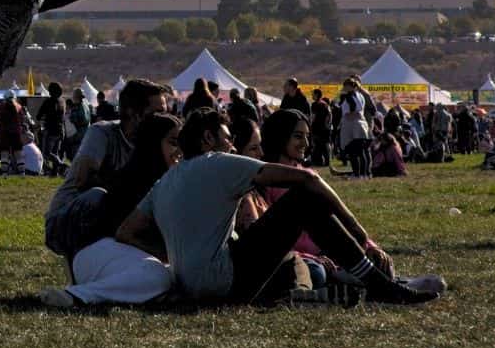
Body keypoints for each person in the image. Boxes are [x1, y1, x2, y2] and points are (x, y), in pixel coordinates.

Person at [113, 110, 436, 306]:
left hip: (191, 285)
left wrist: (174, 255)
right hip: (223, 283)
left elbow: (125, 231)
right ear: (208, 138)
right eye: (227, 139)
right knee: (303, 199)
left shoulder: (165, 182)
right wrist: (357, 229)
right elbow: (306, 181)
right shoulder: (218, 162)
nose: (232, 146)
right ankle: (378, 284)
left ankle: (339, 287)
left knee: (286, 257)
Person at [37, 113, 183, 308]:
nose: (179, 151)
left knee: (168, 277)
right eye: (173, 142)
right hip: (98, 253)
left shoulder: (167, 180)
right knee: (158, 276)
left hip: (122, 258)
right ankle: (76, 296)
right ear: (153, 145)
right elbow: (126, 235)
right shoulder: (136, 181)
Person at [44, 78, 171, 257]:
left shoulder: (153, 146)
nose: (164, 119)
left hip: (112, 220)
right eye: (157, 113)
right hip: (64, 223)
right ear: (133, 112)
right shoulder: (102, 133)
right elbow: (84, 179)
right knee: (98, 196)